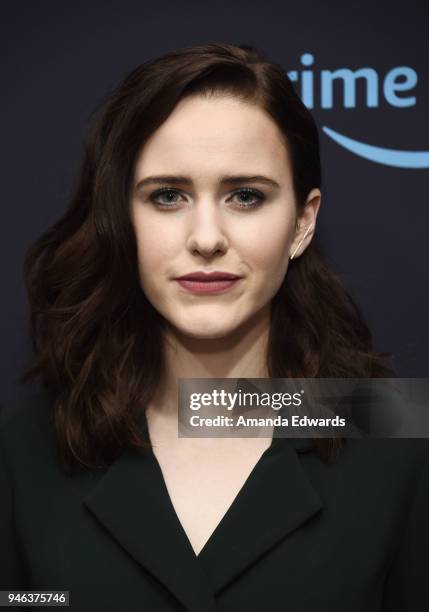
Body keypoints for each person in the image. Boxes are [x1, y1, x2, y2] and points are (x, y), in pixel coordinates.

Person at [1, 42, 428, 611]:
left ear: (302, 222)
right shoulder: (25, 447)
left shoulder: (396, 434)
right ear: (121, 218)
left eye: (246, 196)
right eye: (168, 196)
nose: (206, 237)